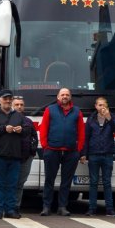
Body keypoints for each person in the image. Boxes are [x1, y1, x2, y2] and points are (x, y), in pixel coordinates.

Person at [39, 88, 85, 216]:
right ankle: (46, 207)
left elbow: (81, 132)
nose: (65, 96)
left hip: (71, 152)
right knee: (49, 180)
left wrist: (79, 149)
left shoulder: (77, 111)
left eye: (67, 95)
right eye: (62, 94)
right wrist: (45, 146)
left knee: (66, 181)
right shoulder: (50, 109)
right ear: (58, 97)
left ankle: (62, 207)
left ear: (70, 97)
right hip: (52, 150)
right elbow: (43, 129)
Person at [0, 89, 25, 219]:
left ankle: (10, 209)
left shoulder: (19, 116)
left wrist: (21, 130)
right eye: (5, 98)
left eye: (9, 98)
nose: (8, 101)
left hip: (15, 155)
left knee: (12, 184)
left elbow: (28, 131)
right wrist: (4, 128)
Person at [80, 97, 115, 217]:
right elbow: (86, 137)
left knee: (107, 182)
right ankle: (92, 209)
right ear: (96, 106)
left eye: (103, 105)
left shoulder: (112, 117)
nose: (101, 107)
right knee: (93, 182)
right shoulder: (91, 119)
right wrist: (83, 154)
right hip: (93, 154)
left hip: (108, 154)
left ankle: (110, 209)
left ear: (107, 106)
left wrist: (109, 117)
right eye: (99, 105)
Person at [13, 96, 37, 213]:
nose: (19, 107)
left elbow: (34, 137)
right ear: (12, 106)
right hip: (11, 157)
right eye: (17, 104)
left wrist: (32, 152)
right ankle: (5, 206)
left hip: (26, 157)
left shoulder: (28, 121)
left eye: (21, 104)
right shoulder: (8, 120)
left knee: (20, 183)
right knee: (9, 182)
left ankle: (16, 206)